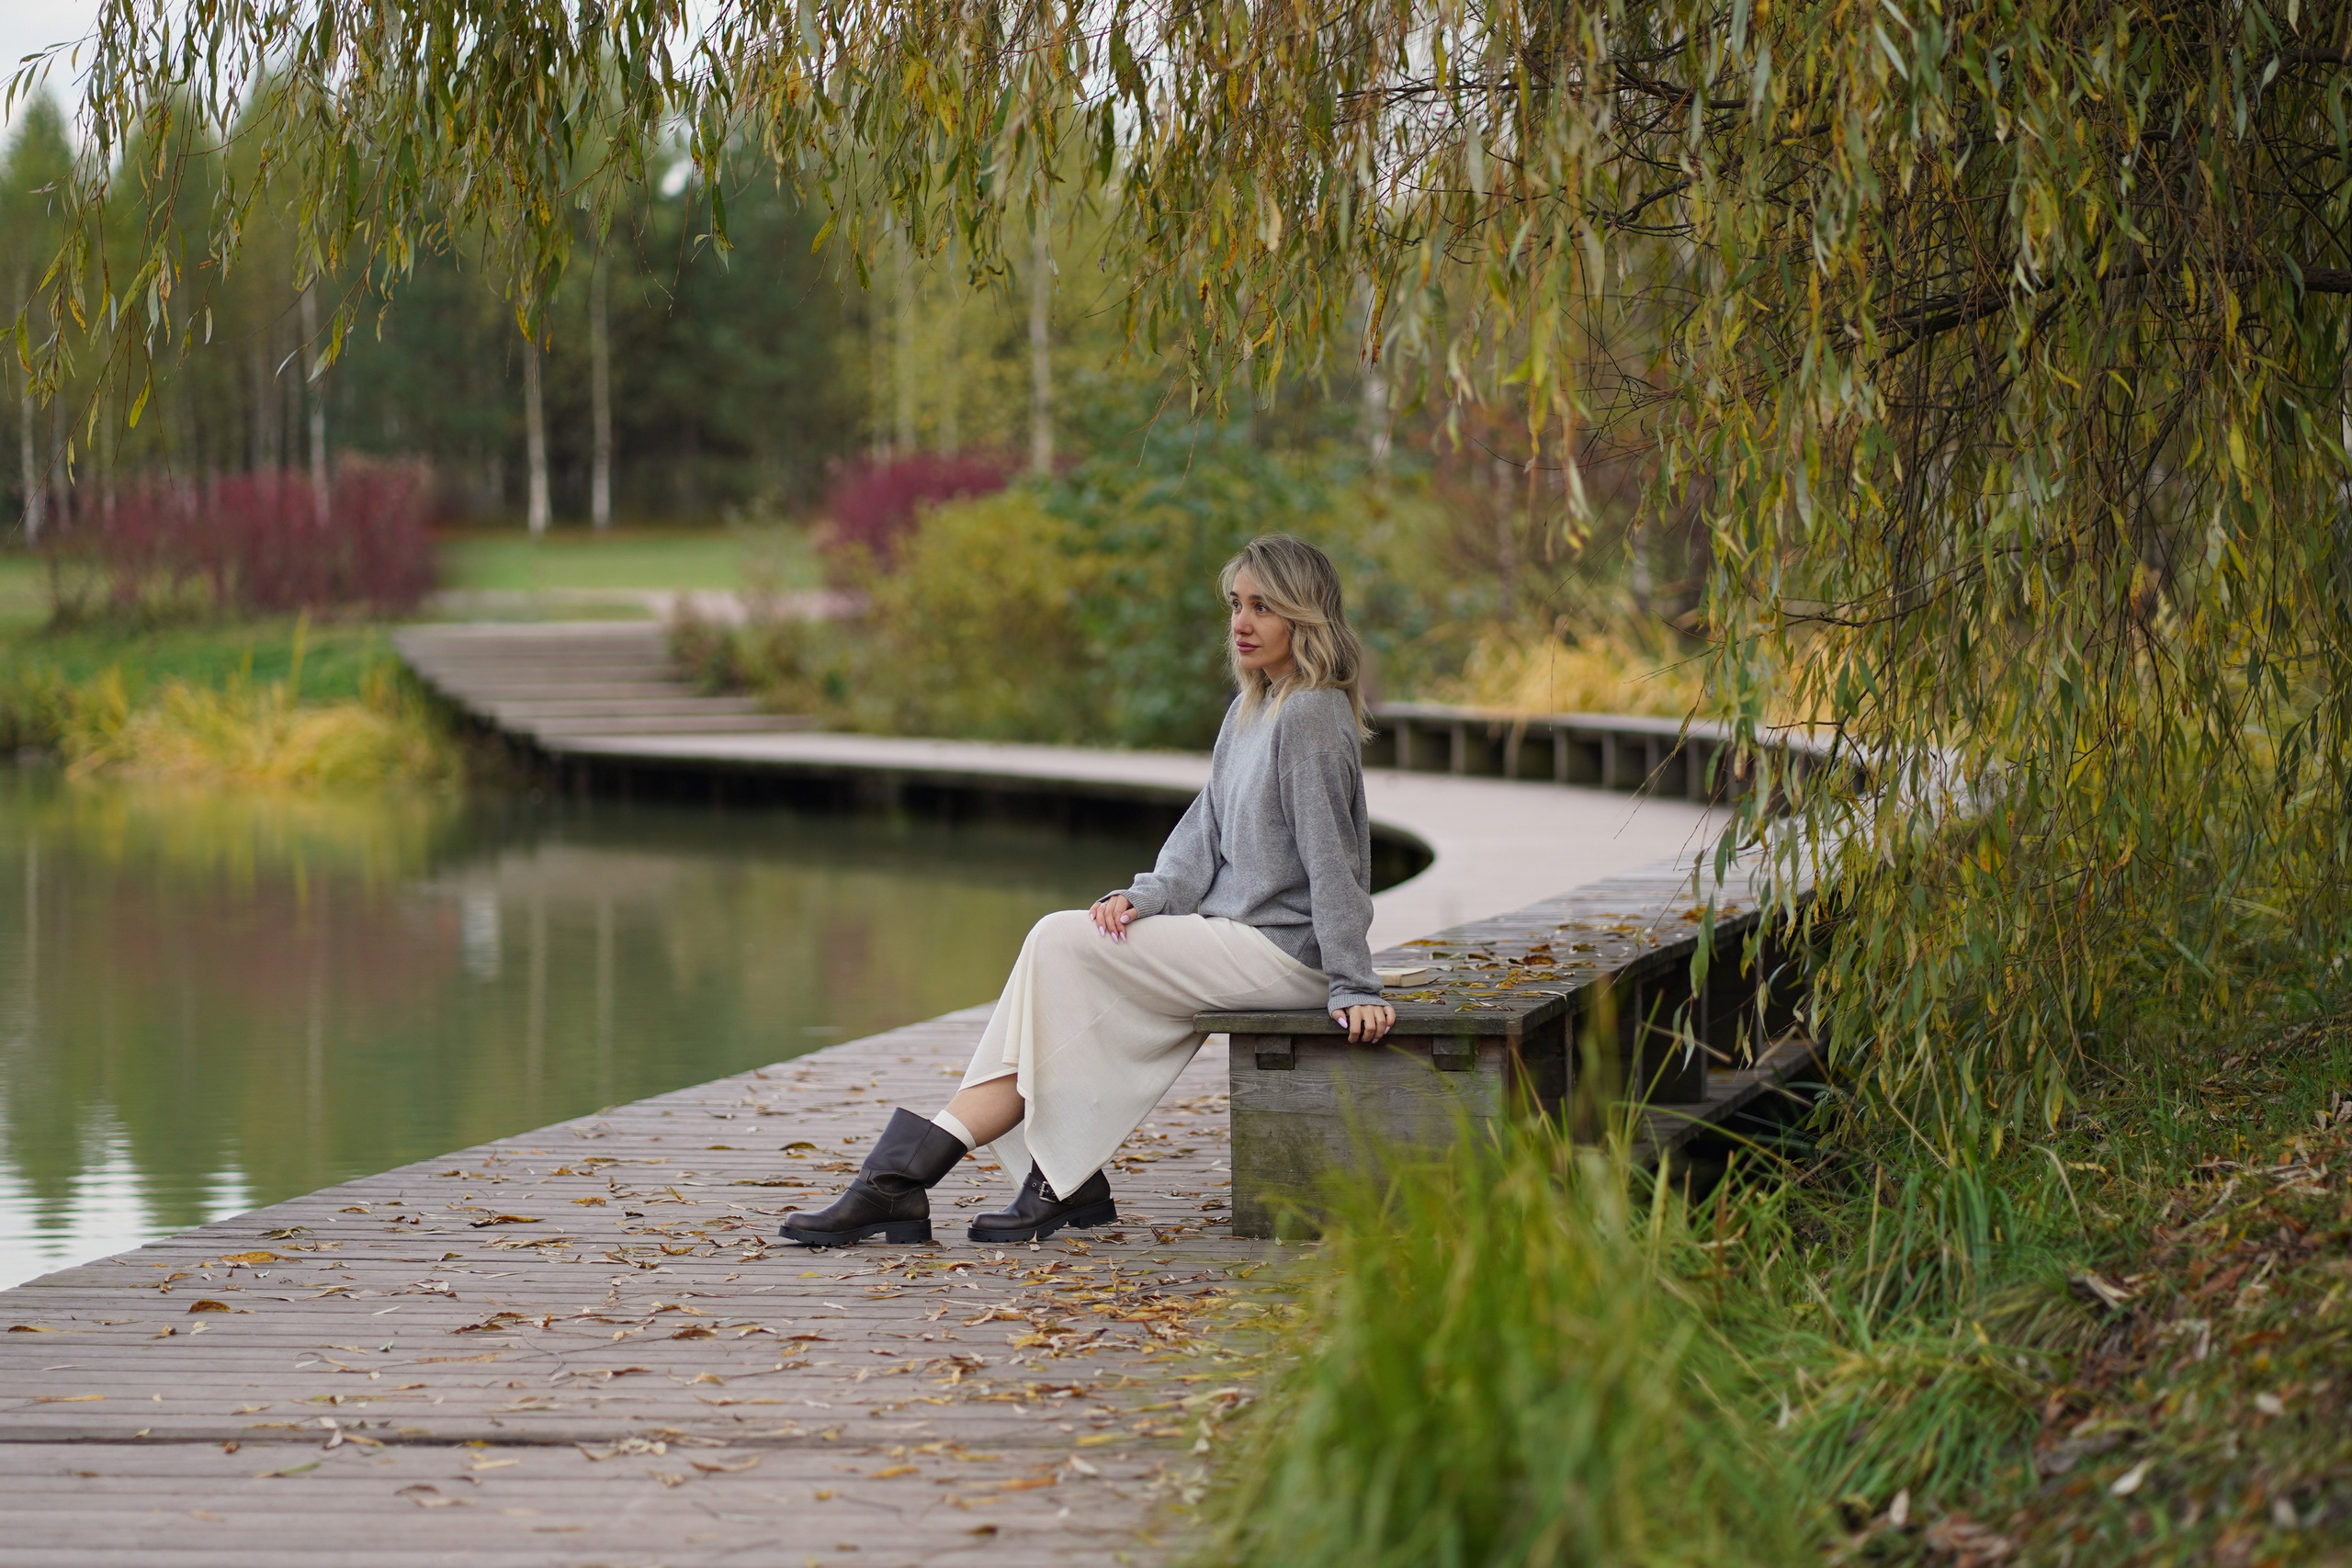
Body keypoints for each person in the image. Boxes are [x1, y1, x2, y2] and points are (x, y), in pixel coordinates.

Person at [778, 534, 1397, 1247]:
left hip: (1285, 954)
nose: (1241, 622)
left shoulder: (1310, 713)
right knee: (1052, 991)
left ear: (1304, 614)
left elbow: (1333, 860)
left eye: (1263, 606)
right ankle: (926, 1181)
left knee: (1057, 938)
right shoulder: (1250, 709)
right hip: (1237, 942)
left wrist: (1353, 982)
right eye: (1236, 604)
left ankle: (938, 1181)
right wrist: (1147, 896)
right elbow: (1203, 832)